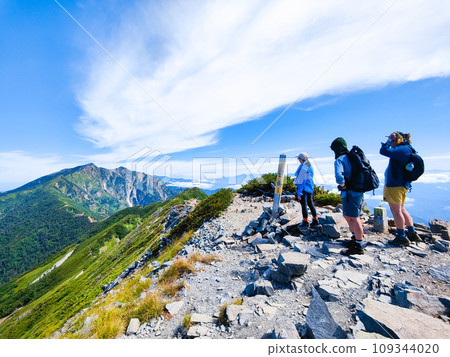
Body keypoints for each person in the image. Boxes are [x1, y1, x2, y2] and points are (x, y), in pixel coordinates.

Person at [380, 132, 421, 246]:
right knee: (402, 209)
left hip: (395, 185)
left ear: (397, 140)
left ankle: (401, 236)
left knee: (396, 211)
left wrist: (388, 142)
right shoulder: (408, 149)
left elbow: (383, 151)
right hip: (402, 184)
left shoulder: (402, 150)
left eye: (392, 139)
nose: (390, 141)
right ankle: (412, 233)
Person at [330, 137, 365, 255]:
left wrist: (343, 185)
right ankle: (355, 239)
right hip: (358, 191)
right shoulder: (352, 157)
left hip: (350, 192)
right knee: (347, 215)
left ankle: (358, 246)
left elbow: (339, 176)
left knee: (354, 218)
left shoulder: (340, 159)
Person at [294, 153, 319, 228]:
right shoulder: (309, 164)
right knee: (310, 204)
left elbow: (301, 180)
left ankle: (305, 222)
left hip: (304, 188)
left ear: (301, 159)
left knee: (304, 205)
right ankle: (315, 220)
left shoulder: (304, 166)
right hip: (310, 187)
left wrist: (299, 192)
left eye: (298, 158)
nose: (298, 160)